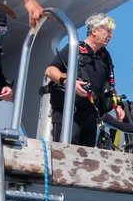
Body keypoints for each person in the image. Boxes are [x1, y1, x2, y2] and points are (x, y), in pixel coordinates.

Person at [44, 13, 124, 146]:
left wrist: (117, 105)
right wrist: (69, 82)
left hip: (91, 116)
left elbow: (109, 84)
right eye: (107, 31)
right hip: (69, 113)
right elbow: (50, 70)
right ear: (94, 31)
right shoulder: (74, 47)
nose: (111, 35)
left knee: (86, 159)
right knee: (64, 155)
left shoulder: (105, 56)